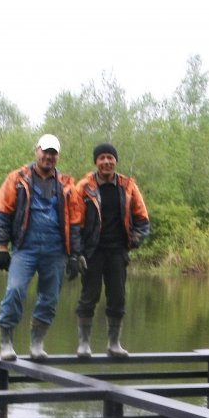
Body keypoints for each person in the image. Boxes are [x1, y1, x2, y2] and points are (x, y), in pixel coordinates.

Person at [0, 133, 83, 361]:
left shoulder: (67, 185)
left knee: (50, 298)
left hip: (56, 250)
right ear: (37, 151)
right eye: (45, 151)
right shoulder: (17, 178)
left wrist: (74, 254)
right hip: (25, 247)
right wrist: (2, 248)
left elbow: (74, 221)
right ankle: (6, 342)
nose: (48, 157)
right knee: (14, 291)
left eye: (53, 153)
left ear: (58, 156)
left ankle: (37, 343)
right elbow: (2, 212)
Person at [72, 143, 150, 358]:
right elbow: (75, 222)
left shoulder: (127, 186)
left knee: (118, 297)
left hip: (117, 251)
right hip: (92, 251)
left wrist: (135, 240)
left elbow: (143, 219)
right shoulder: (84, 187)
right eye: (102, 158)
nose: (106, 161)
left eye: (110, 157)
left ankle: (114, 344)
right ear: (96, 162)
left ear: (116, 161)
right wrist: (76, 252)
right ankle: (84, 344)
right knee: (89, 297)